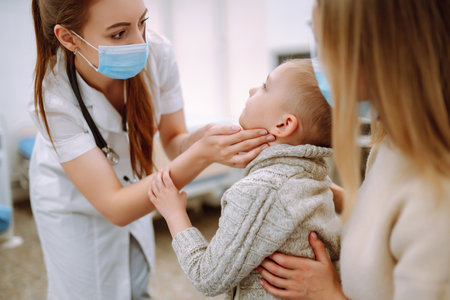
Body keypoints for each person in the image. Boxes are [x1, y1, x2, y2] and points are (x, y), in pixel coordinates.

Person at [29, 0, 273, 299]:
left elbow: (173, 142)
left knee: (135, 279)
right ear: (68, 38)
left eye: (142, 22)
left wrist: (198, 139)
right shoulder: (52, 96)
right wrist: (202, 155)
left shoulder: (158, 52)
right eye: (118, 34)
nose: (140, 42)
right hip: (72, 205)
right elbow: (116, 206)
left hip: (135, 182)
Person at [257, 1, 450, 299]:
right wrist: (323, 193)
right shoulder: (392, 139)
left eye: (326, 45)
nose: (320, 63)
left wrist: (329, 294)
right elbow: (385, 220)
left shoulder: (437, 197)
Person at [148, 59, 342, 299]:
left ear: (283, 124)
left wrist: (174, 213)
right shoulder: (314, 177)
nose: (252, 89)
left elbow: (207, 277)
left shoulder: (262, 190)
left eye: (265, 87)